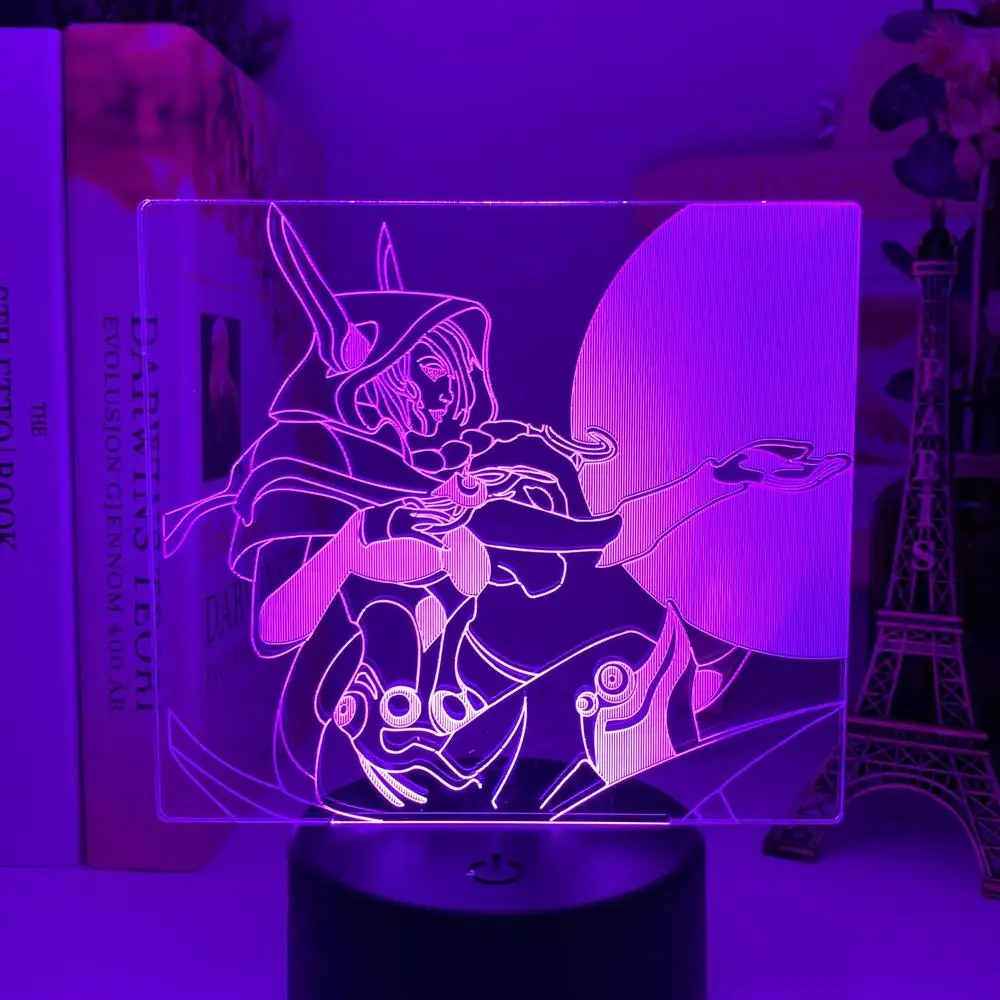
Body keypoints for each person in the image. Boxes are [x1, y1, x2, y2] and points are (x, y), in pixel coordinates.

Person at [163, 204, 850, 818]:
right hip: (382, 743)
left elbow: (604, 539)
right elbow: (274, 630)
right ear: (373, 390)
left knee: (636, 643)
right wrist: (356, 538)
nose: (448, 396)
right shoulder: (309, 472)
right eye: (426, 376)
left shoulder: (481, 479)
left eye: (453, 373)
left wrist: (721, 476)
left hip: (489, 729)